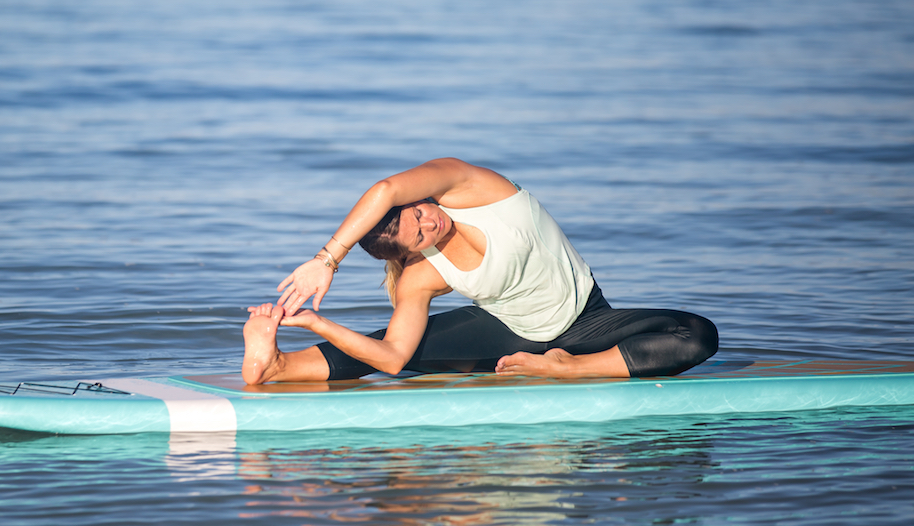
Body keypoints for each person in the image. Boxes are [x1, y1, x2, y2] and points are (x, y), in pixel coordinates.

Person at [241, 158, 717, 385]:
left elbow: (386, 186)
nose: (430, 223)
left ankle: (570, 367)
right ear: (412, 252)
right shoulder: (421, 276)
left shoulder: (476, 188)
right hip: (512, 332)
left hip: (589, 321)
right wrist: (320, 322)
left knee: (697, 334)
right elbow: (389, 357)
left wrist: (327, 260)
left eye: (419, 213)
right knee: (403, 349)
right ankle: (279, 365)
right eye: (420, 236)